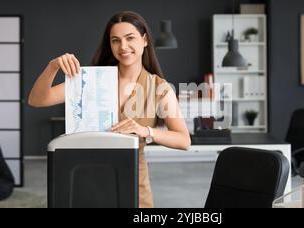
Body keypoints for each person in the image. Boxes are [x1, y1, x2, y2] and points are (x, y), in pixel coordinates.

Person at [28, 11, 191, 208]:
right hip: (86, 174)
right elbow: (37, 100)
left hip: (133, 179)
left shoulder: (159, 88)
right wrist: (53, 66)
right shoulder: (90, 80)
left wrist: (145, 131)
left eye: (130, 38)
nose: (123, 46)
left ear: (145, 40)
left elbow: (184, 140)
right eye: (115, 40)